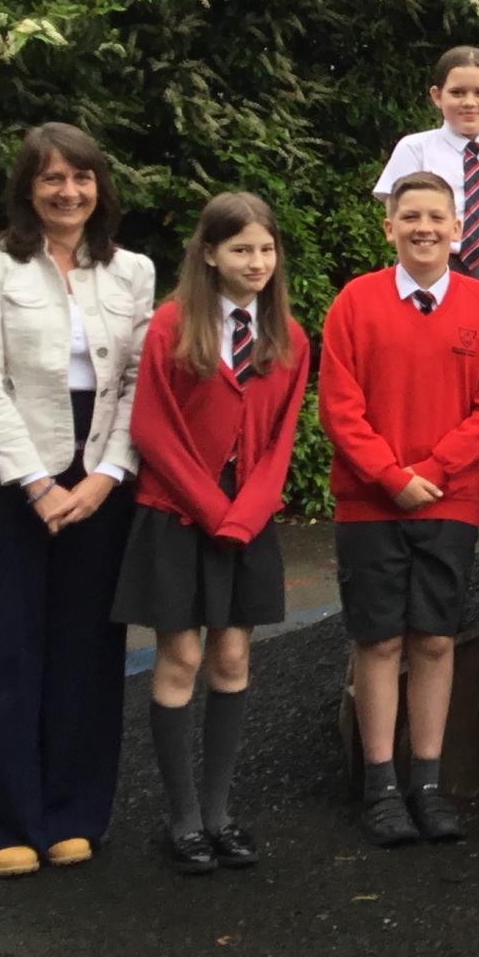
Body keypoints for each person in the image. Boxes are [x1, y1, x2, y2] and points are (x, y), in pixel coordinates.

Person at [0, 124, 153, 879]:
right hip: (6, 477)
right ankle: (7, 823)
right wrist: (35, 482)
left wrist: (105, 474)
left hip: (99, 472)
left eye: (82, 178)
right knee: (7, 649)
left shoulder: (131, 269)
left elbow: (137, 382)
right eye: (52, 179)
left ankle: (74, 813)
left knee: (88, 650)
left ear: (100, 188)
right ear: (27, 190)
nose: (68, 191)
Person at [114, 192, 309, 875]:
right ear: (209, 253)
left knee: (232, 658)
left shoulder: (287, 335)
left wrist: (248, 512)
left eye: (265, 249)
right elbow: (150, 429)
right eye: (240, 250)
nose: (256, 262)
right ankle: (183, 819)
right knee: (182, 660)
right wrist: (211, 510)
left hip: (246, 517)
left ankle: (220, 813)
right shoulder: (171, 326)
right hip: (178, 513)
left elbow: (282, 438)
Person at [320, 173, 479, 848]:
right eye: (411, 217)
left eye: (437, 216)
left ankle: (426, 785)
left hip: (450, 498)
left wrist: (430, 473)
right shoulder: (355, 302)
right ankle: (379, 786)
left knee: (434, 638)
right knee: (377, 640)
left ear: (459, 228)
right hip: (370, 502)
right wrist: (389, 475)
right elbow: (339, 406)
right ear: (390, 228)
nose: (424, 227)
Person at [374, 45, 479, 607]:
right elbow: (405, 227)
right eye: (457, 91)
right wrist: (440, 291)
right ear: (436, 96)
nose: (469, 101)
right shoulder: (414, 149)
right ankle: (414, 539)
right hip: (423, 283)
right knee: (418, 411)